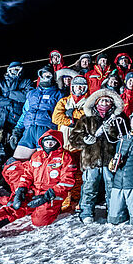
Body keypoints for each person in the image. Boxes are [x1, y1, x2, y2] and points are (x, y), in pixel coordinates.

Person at [0, 129, 77, 240]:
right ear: (42, 143)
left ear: (58, 143)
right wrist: (21, 189)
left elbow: (68, 181)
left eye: (52, 142)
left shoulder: (65, 158)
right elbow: (28, 175)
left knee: (39, 222)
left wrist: (47, 196)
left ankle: (38, 210)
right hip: (34, 191)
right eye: (47, 142)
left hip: (51, 196)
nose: (49, 145)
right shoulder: (37, 156)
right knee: (15, 208)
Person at [69, 89, 127, 224]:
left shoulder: (119, 118)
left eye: (107, 101)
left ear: (112, 103)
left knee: (112, 187)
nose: (104, 103)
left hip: (110, 160)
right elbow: (73, 138)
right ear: (96, 102)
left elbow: (124, 137)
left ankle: (113, 212)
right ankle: (86, 212)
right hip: (91, 160)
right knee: (89, 186)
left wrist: (111, 130)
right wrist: (85, 139)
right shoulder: (86, 119)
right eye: (102, 100)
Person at [8, 66, 64, 160]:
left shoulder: (59, 94)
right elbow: (25, 112)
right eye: (43, 75)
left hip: (46, 130)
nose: (46, 77)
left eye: (49, 75)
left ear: (53, 77)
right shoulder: (32, 93)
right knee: (16, 160)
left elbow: (60, 115)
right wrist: (17, 129)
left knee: (42, 161)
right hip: (29, 129)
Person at [50, 74, 88, 211]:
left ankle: (76, 198)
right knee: (64, 172)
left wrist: (73, 113)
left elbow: (87, 116)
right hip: (64, 143)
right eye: (76, 86)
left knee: (78, 173)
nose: (79, 89)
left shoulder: (88, 102)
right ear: (72, 87)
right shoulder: (64, 101)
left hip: (80, 144)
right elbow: (56, 117)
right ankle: (64, 200)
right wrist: (71, 121)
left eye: (82, 87)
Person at [0, 61, 34, 140]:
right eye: (12, 69)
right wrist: (11, 101)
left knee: (12, 141)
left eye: (17, 69)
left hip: (14, 118)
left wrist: (8, 94)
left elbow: (27, 97)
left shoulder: (27, 82)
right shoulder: (0, 83)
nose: (14, 71)